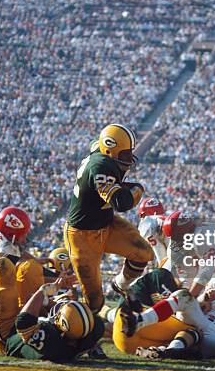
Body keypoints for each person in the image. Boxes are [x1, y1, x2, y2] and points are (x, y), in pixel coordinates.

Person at [63, 124, 153, 313]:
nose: (129, 158)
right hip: (82, 236)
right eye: (124, 154)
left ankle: (119, 285)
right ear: (109, 151)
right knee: (95, 301)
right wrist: (137, 189)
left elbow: (96, 144)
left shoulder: (102, 152)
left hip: (106, 223)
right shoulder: (101, 165)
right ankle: (72, 320)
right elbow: (121, 202)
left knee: (144, 253)